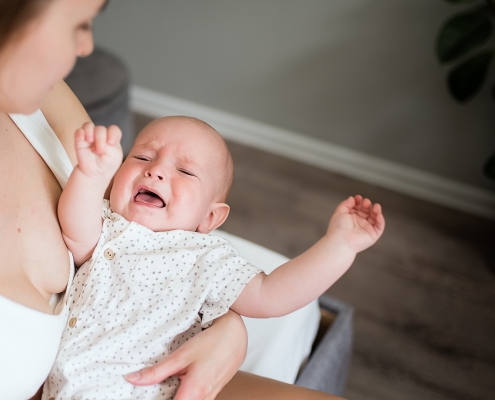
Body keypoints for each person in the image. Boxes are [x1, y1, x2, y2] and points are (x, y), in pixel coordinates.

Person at [0, 0, 346, 399]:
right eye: (79, 23)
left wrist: (229, 326)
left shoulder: (39, 105)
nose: (85, 48)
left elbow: (143, 249)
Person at [47, 116, 385, 399]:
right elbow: (74, 230)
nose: (157, 171)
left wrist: (340, 246)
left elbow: (272, 295)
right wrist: (90, 175)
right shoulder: (107, 223)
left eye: (186, 171)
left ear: (209, 218)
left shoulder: (206, 258)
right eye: (143, 158)